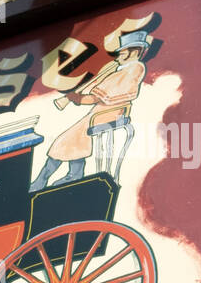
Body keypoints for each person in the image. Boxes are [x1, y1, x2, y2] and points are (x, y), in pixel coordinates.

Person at [30, 31, 149, 192]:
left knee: (69, 139)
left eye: (122, 53)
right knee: (70, 139)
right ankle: (67, 175)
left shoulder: (132, 69)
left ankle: (53, 178)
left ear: (134, 52)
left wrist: (75, 98)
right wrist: (76, 97)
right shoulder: (125, 69)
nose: (117, 57)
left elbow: (96, 98)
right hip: (102, 112)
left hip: (109, 112)